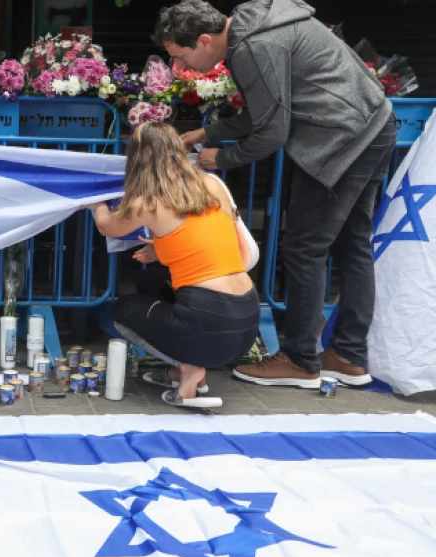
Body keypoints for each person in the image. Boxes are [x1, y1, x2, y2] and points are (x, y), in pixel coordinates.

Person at [154, 0, 396, 389]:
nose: (183, 69)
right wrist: (207, 133)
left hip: (339, 141)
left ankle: (300, 360)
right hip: (375, 124)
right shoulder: (261, 24)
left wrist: (223, 158)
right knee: (353, 246)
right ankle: (348, 355)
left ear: (202, 40)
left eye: (181, 57)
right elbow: (273, 106)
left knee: (304, 247)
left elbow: (273, 131)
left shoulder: (252, 47)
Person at [89, 122, 259, 408]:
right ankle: (193, 368)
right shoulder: (212, 183)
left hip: (208, 318)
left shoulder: (149, 201)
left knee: (121, 311)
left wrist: (96, 204)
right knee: (150, 282)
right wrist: (163, 247)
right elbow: (214, 235)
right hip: (246, 319)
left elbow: (108, 227)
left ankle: (188, 368)